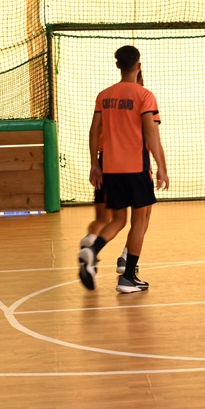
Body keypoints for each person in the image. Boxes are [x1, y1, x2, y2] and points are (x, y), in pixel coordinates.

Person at [78, 46, 169, 294]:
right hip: (136, 167)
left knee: (118, 220)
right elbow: (151, 133)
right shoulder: (144, 95)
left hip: (110, 167)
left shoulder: (104, 96)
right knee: (140, 221)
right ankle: (128, 277)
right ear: (138, 66)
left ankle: (92, 250)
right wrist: (162, 166)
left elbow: (94, 130)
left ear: (118, 66)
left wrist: (95, 163)